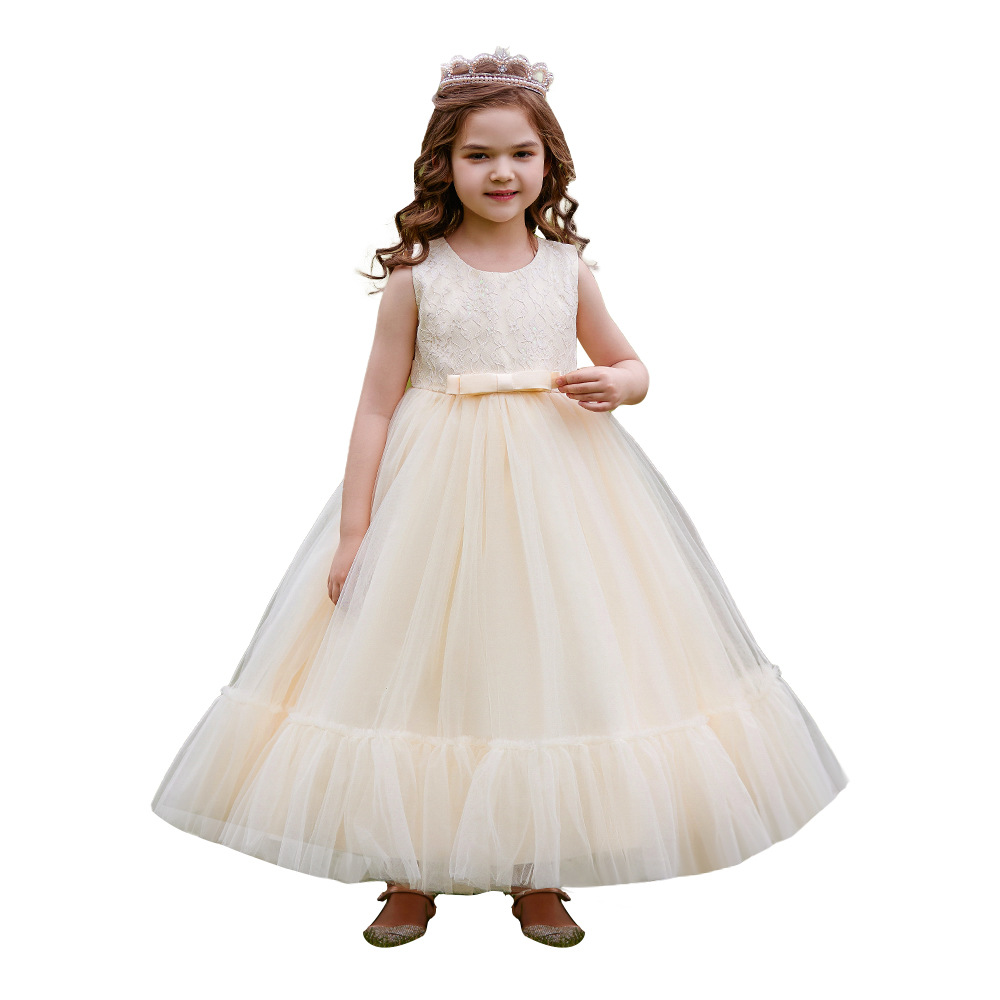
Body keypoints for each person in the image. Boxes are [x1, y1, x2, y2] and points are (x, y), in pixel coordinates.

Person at [151, 46, 849, 949]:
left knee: (546, 664)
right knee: (418, 670)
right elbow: (376, 405)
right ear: (443, 163)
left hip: (560, 493)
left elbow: (631, 361)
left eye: (521, 153)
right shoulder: (418, 275)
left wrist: (620, 384)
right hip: (432, 496)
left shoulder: (566, 269)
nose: (501, 171)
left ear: (549, 162)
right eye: (478, 154)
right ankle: (409, 868)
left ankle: (537, 866)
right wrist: (357, 531)